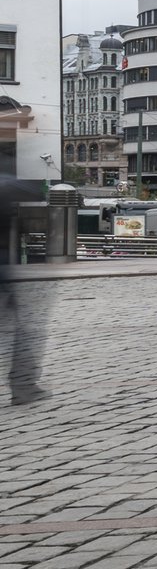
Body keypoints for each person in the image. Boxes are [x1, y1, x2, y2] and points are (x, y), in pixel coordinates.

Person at [1, 173, 46, 407]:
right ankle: (23, 385)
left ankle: (24, 385)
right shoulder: (8, 186)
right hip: (2, 271)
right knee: (22, 330)